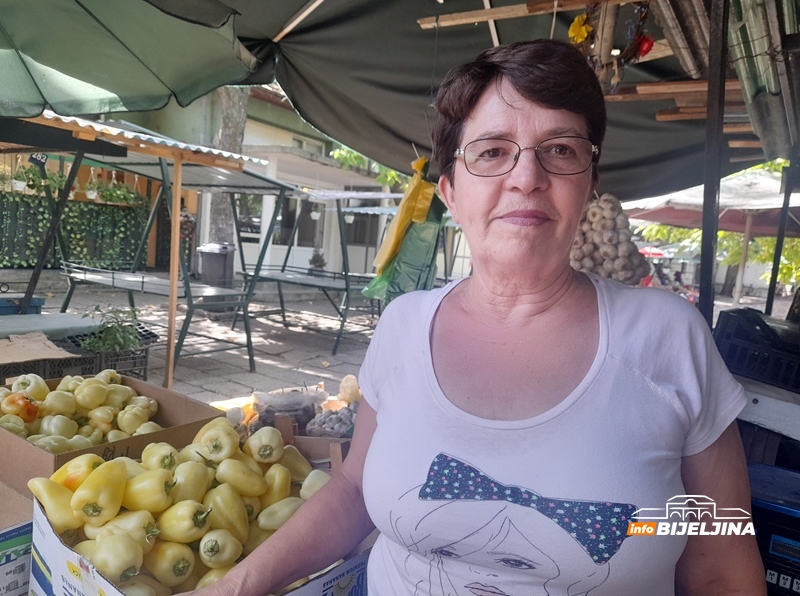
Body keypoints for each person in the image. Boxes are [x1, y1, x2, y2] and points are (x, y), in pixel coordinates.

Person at [188, 40, 765, 596]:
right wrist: (233, 588)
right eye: (491, 152)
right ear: (450, 192)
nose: (526, 177)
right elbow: (357, 487)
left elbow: (722, 569)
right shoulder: (403, 326)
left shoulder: (667, 338)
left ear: (590, 186)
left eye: (560, 150)